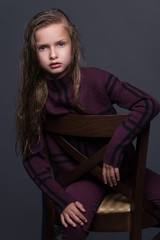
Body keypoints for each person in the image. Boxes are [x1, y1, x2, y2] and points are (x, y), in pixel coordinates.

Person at [16, 9, 160, 240]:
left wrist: (114, 150)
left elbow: (148, 104)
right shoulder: (36, 100)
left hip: (126, 173)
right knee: (74, 225)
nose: (53, 54)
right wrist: (61, 200)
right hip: (79, 181)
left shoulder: (97, 80)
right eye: (43, 47)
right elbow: (33, 160)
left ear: (73, 44)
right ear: (33, 53)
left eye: (61, 44)